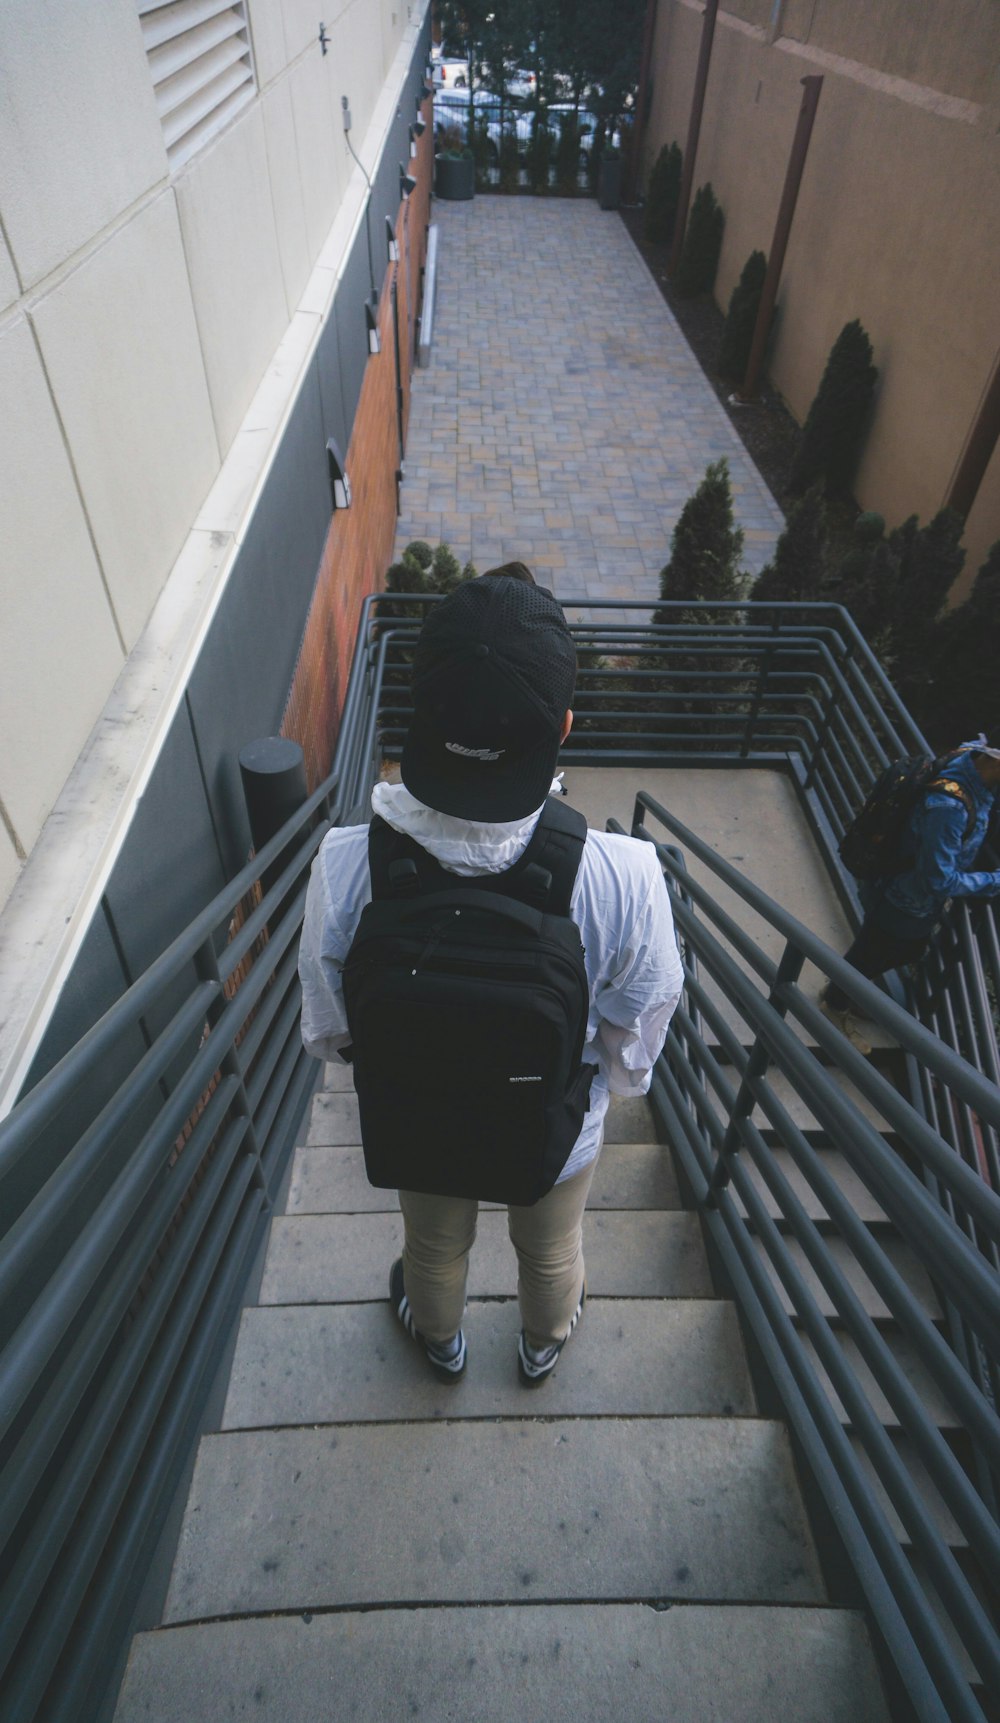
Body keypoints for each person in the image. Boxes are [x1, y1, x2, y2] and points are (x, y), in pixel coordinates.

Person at [298, 570, 683, 1385]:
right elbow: (632, 1056)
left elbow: (333, 1035)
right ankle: (542, 1344)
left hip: (419, 1120)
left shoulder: (343, 864)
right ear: (564, 725)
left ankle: (440, 1342)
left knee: (433, 1245)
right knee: (552, 1248)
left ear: (421, 714)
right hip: (551, 1124)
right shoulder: (626, 877)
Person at [820, 735, 1000, 1054]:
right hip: (905, 900)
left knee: (902, 951)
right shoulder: (949, 809)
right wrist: (992, 880)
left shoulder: (970, 755)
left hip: (903, 890)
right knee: (870, 954)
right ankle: (834, 1004)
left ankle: (848, 993)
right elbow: (938, 882)